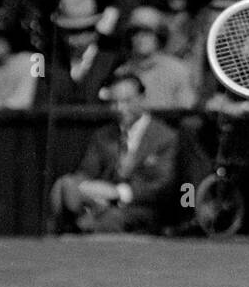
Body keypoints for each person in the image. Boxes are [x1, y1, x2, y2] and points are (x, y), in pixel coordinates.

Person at [50, 70, 180, 234]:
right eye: (114, 102)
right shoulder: (103, 135)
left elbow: (163, 184)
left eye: (126, 101)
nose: (119, 108)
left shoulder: (165, 137)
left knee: (108, 219)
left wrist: (118, 193)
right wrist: (82, 186)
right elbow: (87, 171)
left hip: (141, 208)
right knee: (64, 186)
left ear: (142, 99)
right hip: (98, 203)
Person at [115, 5, 197, 111]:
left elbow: (186, 111)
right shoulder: (122, 72)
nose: (140, 38)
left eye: (147, 32)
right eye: (135, 32)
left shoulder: (177, 70)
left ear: (159, 35)